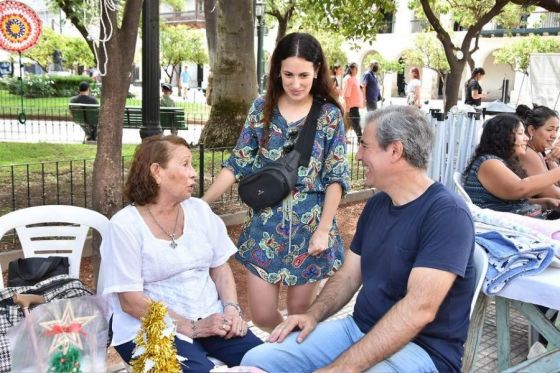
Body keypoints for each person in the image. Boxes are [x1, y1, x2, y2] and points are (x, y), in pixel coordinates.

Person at [241, 105, 476, 373]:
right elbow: (349, 276)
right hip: (359, 328)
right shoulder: (377, 204)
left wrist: (339, 369)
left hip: (423, 349)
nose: (359, 156)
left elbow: (418, 310)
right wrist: (312, 315)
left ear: (395, 151)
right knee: (257, 360)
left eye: (365, 146)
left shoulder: (447, 214)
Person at [202, 32, 350, 332]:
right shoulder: (261, 109)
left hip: (311, 229)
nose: (296, 83)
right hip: (264, 228)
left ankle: (292, 361)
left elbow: (336, 177)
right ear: (277, 72)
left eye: (304, 75)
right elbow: (238, 162)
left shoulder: (329, 116)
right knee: (261, 315)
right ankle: (287, 351)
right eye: (288, 75)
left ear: (317, 71)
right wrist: (202, 204)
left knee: (299, 314)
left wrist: (323, 230)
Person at [100, 135, 262, 372]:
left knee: (270, 362)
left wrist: (231, 309)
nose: (193, 172)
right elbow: (131, 302)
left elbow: (220, 267)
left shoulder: (199, 211)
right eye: (185, 164)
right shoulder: (124, 226)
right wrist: (192, 327)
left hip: (212, 318)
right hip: (150, 329)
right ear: (157, 172)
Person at [463, 113, 560, 217]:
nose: (526, 138)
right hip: (503, 227)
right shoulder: (488, 163)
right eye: (520, 133)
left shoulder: (501, 161)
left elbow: (513, 201)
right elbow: (520, 188)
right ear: (504, 136)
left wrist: (546, 202)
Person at [517, 104, 560, 200]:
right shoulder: (527, 153)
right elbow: (553, 195)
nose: (554, 135)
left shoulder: (540, 151)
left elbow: (557, 183)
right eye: (549, 129)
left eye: (556, 130)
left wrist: (552, 159)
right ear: (532, 130)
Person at [343, 62, 364, 138]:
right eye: (356, 68)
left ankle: (344, 138)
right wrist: (348, 107)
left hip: (355, 106)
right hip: (351, 107)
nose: (357, 70)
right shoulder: (349, 79)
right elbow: (346, 94)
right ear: (352, 69)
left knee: (350, 124)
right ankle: (360, 139)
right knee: (356, 124)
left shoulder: (354, 79)